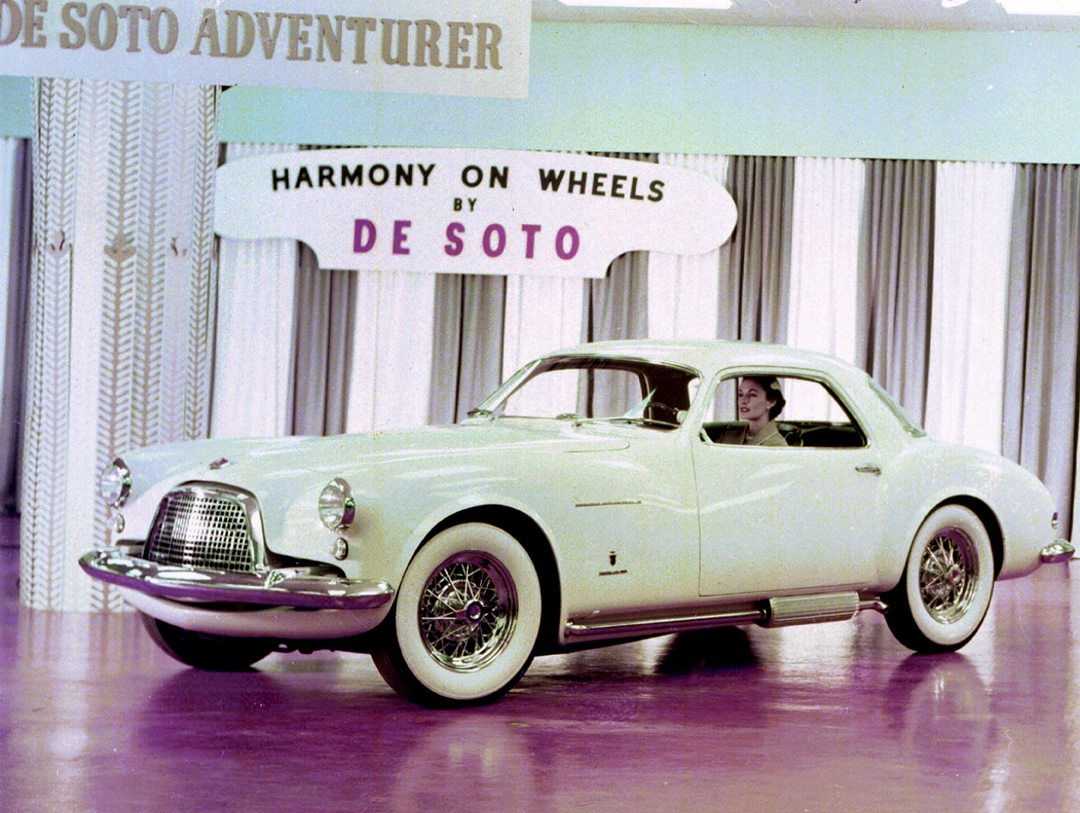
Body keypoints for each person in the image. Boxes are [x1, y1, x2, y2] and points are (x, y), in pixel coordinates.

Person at [715, 376, 788, 446]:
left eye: (752, 395)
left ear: (771, 401)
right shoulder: (727, 437)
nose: (743, 401)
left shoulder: (778, 447)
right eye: (740, 394)